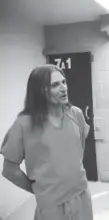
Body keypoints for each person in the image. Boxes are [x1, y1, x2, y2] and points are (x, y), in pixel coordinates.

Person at [1, 64, 93, 220]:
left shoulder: (76, 114)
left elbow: (79, 152)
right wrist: (39, 190)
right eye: (55, 85)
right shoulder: (24, 124)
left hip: (82, 196)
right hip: (51, 205)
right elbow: (9, 170)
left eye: (64, 82)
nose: (64, 88)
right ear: (40, 91)